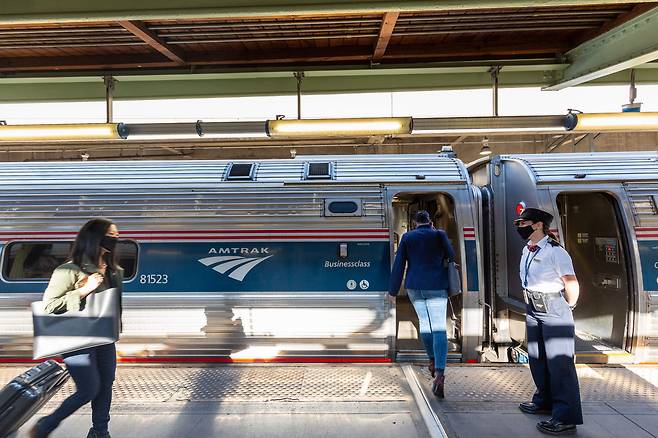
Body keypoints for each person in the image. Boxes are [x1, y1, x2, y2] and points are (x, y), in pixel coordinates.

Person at [30, 218, 123, 438]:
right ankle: (46, 425)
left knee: (106, 384)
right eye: (111, 234)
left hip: (104, 336)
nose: (115, 239)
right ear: (95, 237)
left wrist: (116, 330)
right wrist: (83, 290)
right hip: (76, 336)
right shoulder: (68, 270)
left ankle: (100, 431)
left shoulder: (114, 270)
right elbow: (50, 305)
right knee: (89, 389)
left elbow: (113, 305)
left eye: (117, 235)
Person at [514, 207, 583, 435]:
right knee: (537, 358)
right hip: (533, 307)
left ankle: (565, 417)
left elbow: (570, 282)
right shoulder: (527, 249)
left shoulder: (556, 251)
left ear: (537, 225)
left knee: (560, 364)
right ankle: (544, 401)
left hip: (553, 307)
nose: (519, 227)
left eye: (523, 223)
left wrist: (567, 307)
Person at [388, 210, 455, 398]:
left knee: (425, 324)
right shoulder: (439, 234)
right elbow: (452, 256)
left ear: (414, 222)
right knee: (439, 328)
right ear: (430, 221)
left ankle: (432, 360)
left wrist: (392, 291)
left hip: (414, 286)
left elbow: (399, 264)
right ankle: (440, 372)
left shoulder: (408, 237)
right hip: (436, 286)